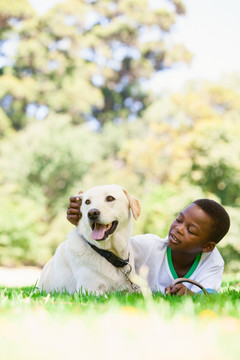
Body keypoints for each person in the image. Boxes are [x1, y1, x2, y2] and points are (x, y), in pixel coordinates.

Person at [67, 196, 230, 295]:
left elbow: (209, 294)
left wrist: (192, 295)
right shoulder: (148, 246)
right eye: (179, 220)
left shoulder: (213, 261)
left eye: (191, 230)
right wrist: (83, 223)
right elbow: (107, 250)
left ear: (207, 247)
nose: (178, 228)